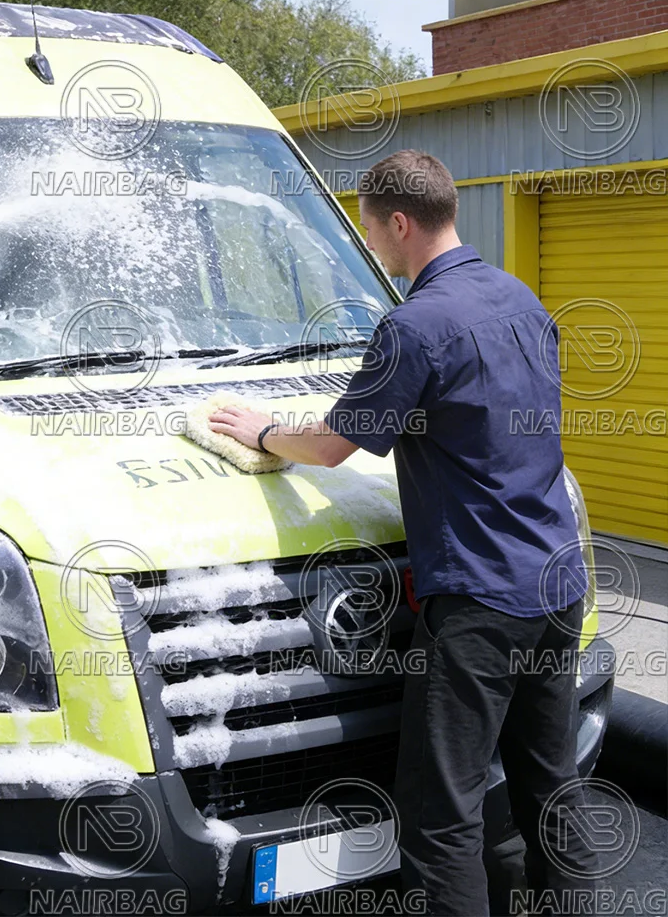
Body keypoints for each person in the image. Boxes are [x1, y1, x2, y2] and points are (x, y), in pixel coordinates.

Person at [210, 149, 597, 916]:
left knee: (440, 819)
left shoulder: (416, 325)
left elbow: (330, 446)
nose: (372, 247)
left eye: (371, 232)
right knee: (551, 791)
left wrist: (260, 431)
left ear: (398, 222)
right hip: (557, 586)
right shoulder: (523, 299)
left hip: (480, 604)